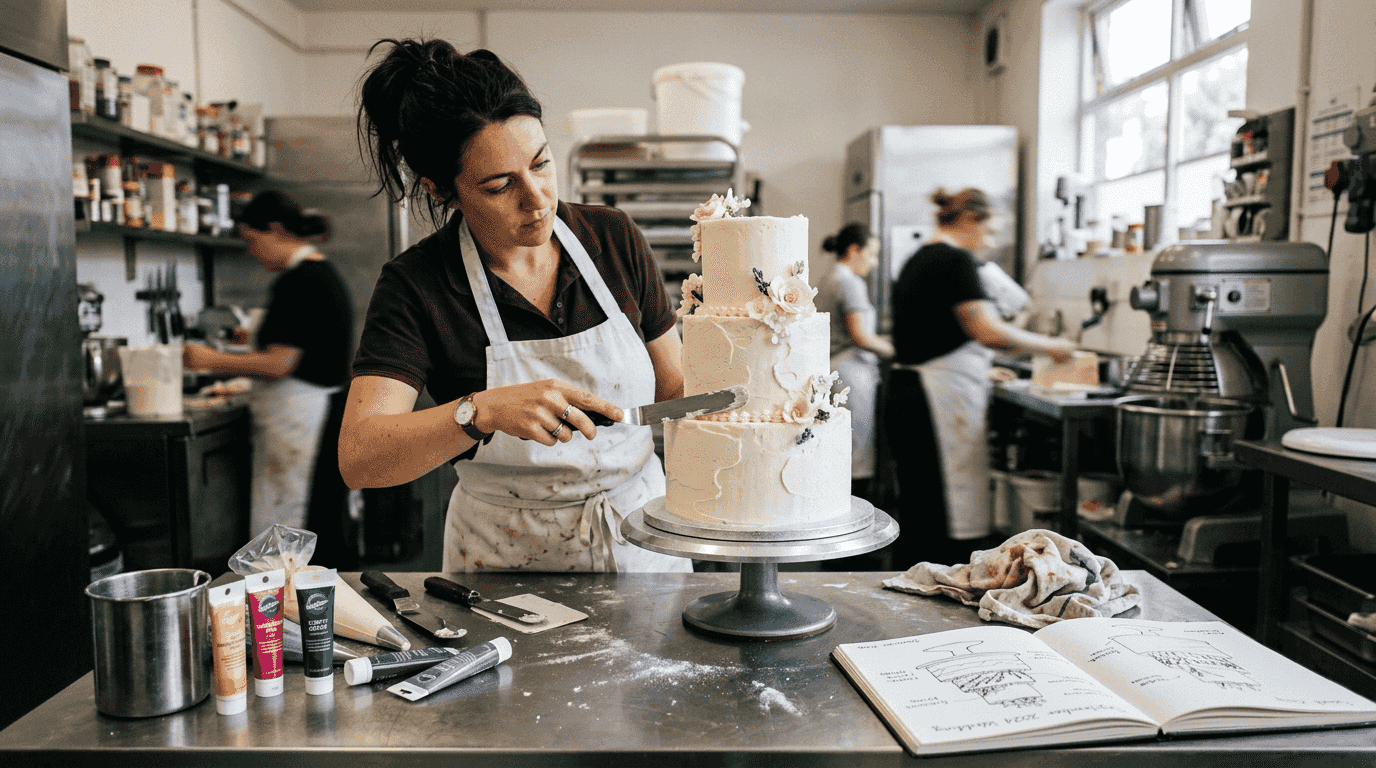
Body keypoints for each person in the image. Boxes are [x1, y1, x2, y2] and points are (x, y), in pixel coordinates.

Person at [340, 39, 692, 573]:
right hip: (504, 561)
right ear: (442, 192)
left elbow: (674, 389)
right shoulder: (418, 285)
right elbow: (361, 457)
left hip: (639, 542)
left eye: (542, 163)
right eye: (500, 185)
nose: (537, 198)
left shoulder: (613, 239)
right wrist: (481, 411)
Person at [885, 187, 1075, 567]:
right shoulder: (953, 260)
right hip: (933, 400)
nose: (988, 243)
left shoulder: (920, 259)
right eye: (989, 232)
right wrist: (1054, 346)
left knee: (922, 508)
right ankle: (938, 601)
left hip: (913, 391)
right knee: (941, 515)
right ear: (971, 218)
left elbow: (934, 332)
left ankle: (914, 593)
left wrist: (980, 368)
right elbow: (987, 330)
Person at [182, 192, 355, 556]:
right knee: (302, 519)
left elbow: (279, 363)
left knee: (292, 522)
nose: (249, 252)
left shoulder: (301, 281)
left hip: (302, 419)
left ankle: (285, 606)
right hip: (312, 413)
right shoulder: (318, 274)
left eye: (251, 240)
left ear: (275, 229)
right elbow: (293, 340)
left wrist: (208, 358)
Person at [816, 223, 893, 500]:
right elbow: (861, 337)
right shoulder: (849, 282)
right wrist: (898, 351)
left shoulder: (829, 278)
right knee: (856, 452)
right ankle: (857, 512)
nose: (873, 264)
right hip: (851, 374)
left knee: (843, 448)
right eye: (871, 255)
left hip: (834, 369)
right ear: (854, 250)